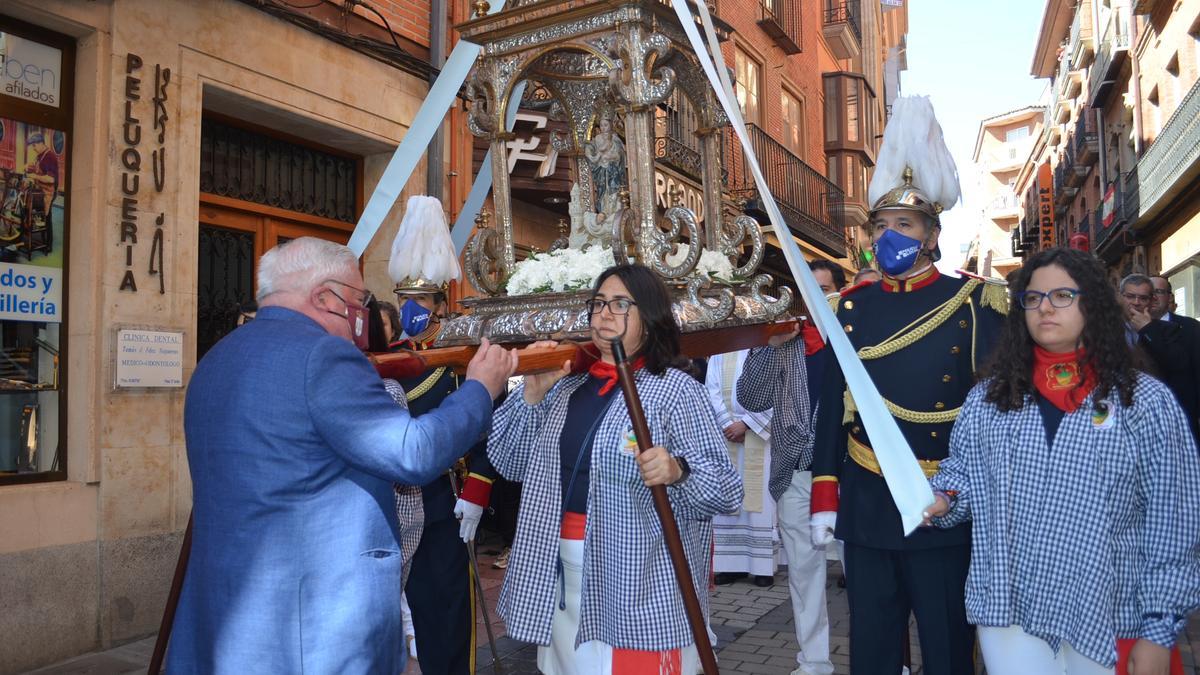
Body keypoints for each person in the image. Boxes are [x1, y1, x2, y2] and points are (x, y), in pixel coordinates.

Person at [169, 237, 516, 674]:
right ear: (324, 297)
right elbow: (413, 453)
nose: (362, 317)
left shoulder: (217, 357)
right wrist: (480, 388)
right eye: (358, 301)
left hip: (229, 614)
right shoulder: (323, 354)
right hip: (313, 624)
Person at [925, 247, 1200, 675]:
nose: (1045, 308)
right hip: (1010, 607)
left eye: (1061, 296)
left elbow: (1173, 519)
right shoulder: (990, 398)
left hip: (1109, 609)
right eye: (1033, 299)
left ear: (1092, 303)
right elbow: (965, 475)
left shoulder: (1143, 401)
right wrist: (943, 499)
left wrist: (1158, 629)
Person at [808, 95, 1008, 675]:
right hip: (869, 497)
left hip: (940, 499)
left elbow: (993, 411)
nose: (890, 234)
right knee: (871, 642)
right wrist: (826, 491)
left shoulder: (974, 304)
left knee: (946, 643)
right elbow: (834, 408)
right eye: (881, 225)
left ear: (931, 233)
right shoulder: (853, 307)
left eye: (904, 224)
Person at [489, 263, 741, 674]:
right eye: (599, 303)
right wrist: (532, 395)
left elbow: (727, 491)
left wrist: (678, 470)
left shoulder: (675, 391)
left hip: (637, 579)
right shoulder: (566, 386)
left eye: (621, 304)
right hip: (559, 572)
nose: (604, 313)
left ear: (651, 317)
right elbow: (509, 462)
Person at [391, 278, 500, 675]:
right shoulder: (390, 356)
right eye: (404, 299)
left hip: (444, 498)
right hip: (395, 502)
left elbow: (491, 427)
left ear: (438, 304)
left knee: (446, 611)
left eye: (419, 299)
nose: (410, 307)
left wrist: (478, 489)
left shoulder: (458, 359)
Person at [736, 309, 834, 675]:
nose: (817, 302)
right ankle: (815, 662)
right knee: (805, 573)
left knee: (868, 576)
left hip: (851, 473)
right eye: (810, 294)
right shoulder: (783, 341)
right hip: (795, 473)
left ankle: (884, 658)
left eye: (826, 291)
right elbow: (750, 397)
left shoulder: (853, 337)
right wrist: (770, 347)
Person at [705, 349, 777, 588]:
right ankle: (730, 565)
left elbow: (778, 388)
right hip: (726, 435)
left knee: (760, 500)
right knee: (728, 496)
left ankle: (762, 567)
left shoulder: (766, 349)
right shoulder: (720, 349)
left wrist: (746, 424)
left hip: (758, 434)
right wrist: (727, 424)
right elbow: (711, 389)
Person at [1145, 275, 1200, 441]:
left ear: (1169, 297)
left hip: (1185, 414)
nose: (1154, 297)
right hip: (1147, 419)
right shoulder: (1129, 327)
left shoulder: (1190, 327)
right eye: (1150, 292)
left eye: (1159, 292)